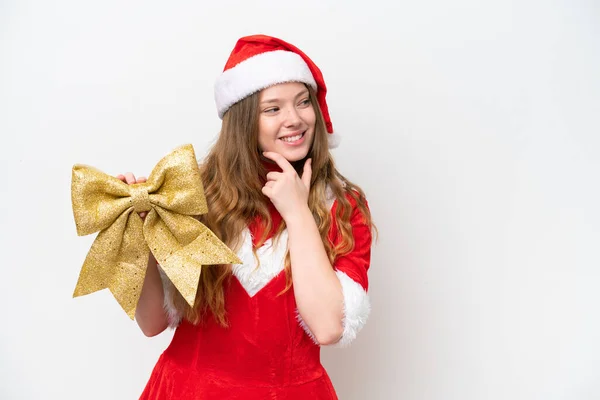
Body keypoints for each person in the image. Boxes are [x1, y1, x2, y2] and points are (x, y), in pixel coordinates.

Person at [117, 34, 375, 399]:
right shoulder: (196, 195)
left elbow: (328, 328)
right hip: (188, 390)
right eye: (273, 109)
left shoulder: (343, 206)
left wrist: (297, 212)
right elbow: (153, 322)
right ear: (243, 122)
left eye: (304, 102)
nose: (295, 119)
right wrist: (137, 235)